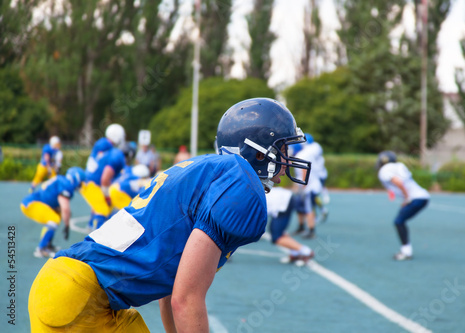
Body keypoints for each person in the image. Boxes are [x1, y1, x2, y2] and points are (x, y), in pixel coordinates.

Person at [28, 97, 311, 332]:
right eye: (282, 148)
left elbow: (171, 287)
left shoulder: (197, 169)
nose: (287, 159)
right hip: (79, 299)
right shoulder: (242, 183)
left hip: (63, 286)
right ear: (259, 153)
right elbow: (185, 300)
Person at [376, 151, 430, 261]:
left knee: (399, 221)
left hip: (416, 198)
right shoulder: (399, 166)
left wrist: (406, 198)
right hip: (423, 196)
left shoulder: (384, 170)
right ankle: (406, 250)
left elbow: (398, 182)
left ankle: (406, 251)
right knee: (400, 221)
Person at [21, 167, 86, 258]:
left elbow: (58, 206)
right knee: (53, 219)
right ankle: (41, 248)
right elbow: (65, 208)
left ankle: (48, 245)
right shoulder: (66, 185)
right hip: (31, 204)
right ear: (76, 179)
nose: (81, 185)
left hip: (35, 202)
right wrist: (67, 225)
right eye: (81, 182)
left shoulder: (62, 180)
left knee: (56, 215)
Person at [82, 123, 127, 230]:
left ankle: (91, 223)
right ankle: (96, 232)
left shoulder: (102, 143)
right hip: (95, 181)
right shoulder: (107, 146)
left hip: (91, 178)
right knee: (103, 209)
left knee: (98, 204)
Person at [266, 187, 314, 264]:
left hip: (282, 203)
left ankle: (306, 251)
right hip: (284, 198)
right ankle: (295, 253)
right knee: (277, 231)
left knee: (276, 236)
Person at [292, 133, 325, 239]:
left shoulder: (302, 155)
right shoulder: (305, 153)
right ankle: (301, 226)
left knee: (308, 208)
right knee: (300, 207)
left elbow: (304, 172)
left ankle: (311, 231)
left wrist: (302, 187)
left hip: (310, 186)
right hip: (307, 185)